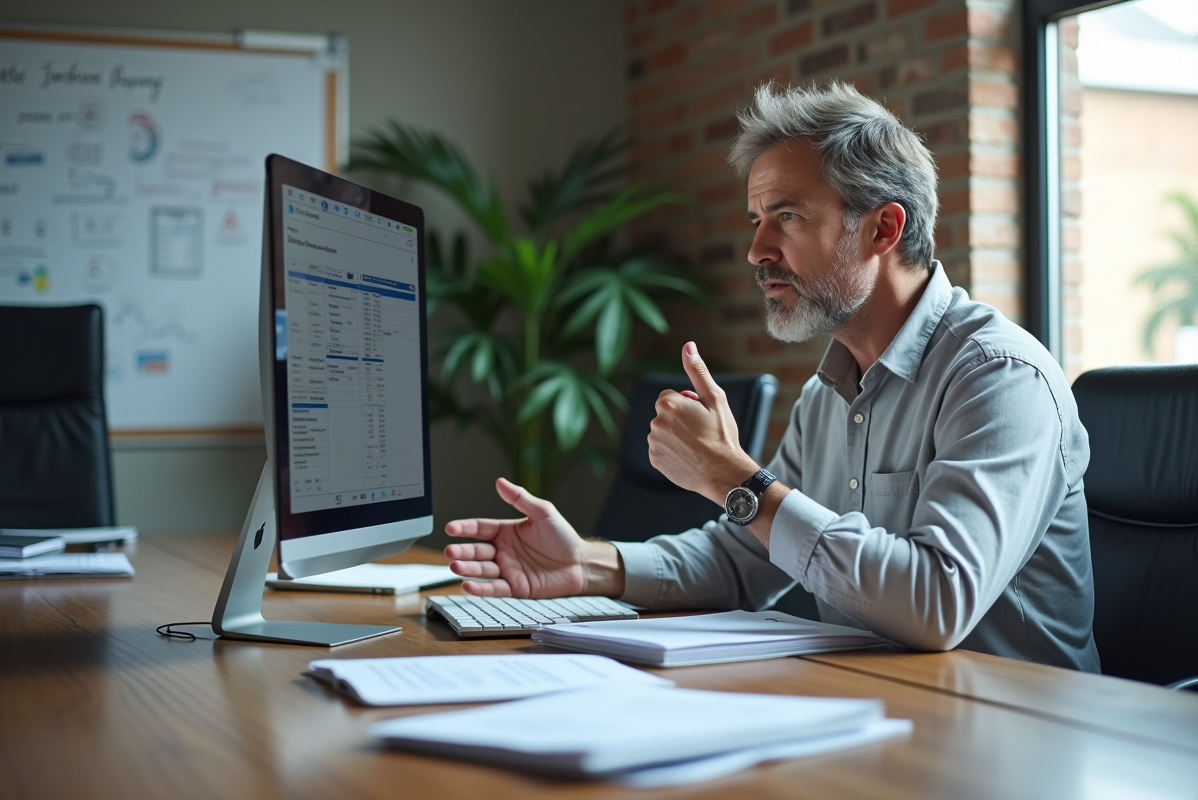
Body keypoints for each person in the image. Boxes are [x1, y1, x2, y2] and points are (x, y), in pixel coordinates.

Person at [444, 81, 1100, 672]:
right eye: (757, 221)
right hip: (881, 714)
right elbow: (746, 556)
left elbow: (935, 603)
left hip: (1016, 735)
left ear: (883, 227)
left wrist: (734, 476)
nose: (758, 251)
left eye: (787, 216)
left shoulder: (999, 377)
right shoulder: (828, 395)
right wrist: (587, 564)